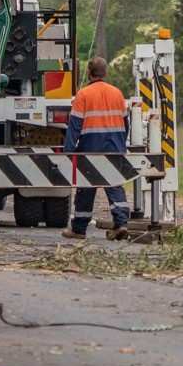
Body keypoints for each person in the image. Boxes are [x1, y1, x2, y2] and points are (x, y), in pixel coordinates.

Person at [62, 56, 131, 238]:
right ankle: (121, 223)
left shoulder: (83, 95)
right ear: (105, 73)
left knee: (86, 188)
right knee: (114, 184)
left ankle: (79, 229)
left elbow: (74, 126)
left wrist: (68, 151)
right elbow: (126, 123)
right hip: (114, 147)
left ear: (90, 73)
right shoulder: (117, 93)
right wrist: (122, 144)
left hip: (91, 148)